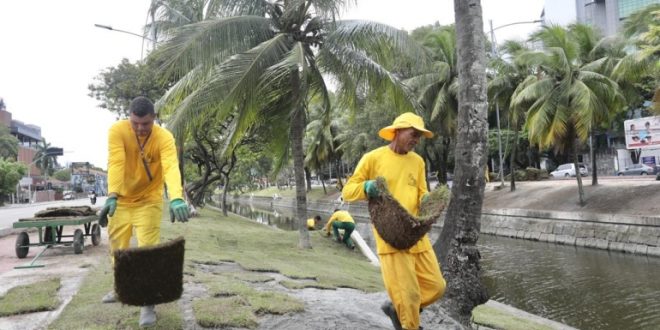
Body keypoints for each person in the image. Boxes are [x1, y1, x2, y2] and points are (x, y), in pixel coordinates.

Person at [342, 112, 446, 330]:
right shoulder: (373, 158)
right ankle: (407, 320)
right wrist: (367, 188)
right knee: (408, 296)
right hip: (390, 237)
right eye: (413, 134)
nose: (416, 140)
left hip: (415, 233)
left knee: (436, 286)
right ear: (397, 132)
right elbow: (348, 190)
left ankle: (396, 309)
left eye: (419, 136)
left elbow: (421, 192)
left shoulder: (417, 161)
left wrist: (428, 199)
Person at [98, 96, 190, 327]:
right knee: (118, 249)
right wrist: (112, 195)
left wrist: (177, 198)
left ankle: (148, 303)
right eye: (135, 123)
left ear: (154, 119)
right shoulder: (117, 131)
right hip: (121, 200)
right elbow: (116, 162)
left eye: (146, 124)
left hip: (149, 199)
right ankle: (120, 290)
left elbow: (170, 165)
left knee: (148, 249)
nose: (140, 128)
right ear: (129, 117)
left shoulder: (164, 137)